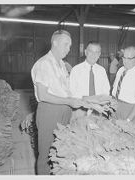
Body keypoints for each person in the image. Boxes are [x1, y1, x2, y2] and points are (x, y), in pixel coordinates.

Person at [31, 30, 83, 175]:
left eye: (70, 46)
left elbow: (64, 89)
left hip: (64, 111)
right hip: (50, 112)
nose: (68, 49)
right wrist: (69, 101)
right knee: (47, 155)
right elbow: (43, 95)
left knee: (59, 150)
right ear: (54, 42)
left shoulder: (61, 64)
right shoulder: (44, 63)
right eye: (66, 44)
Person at [112, 46, 135, 124]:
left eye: (129, 58)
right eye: (124, 58)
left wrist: (128, 120)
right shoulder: (121, 70)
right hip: (115, 106)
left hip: (130, 110)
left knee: (128, 134)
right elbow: (115, 89)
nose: (125, 61)